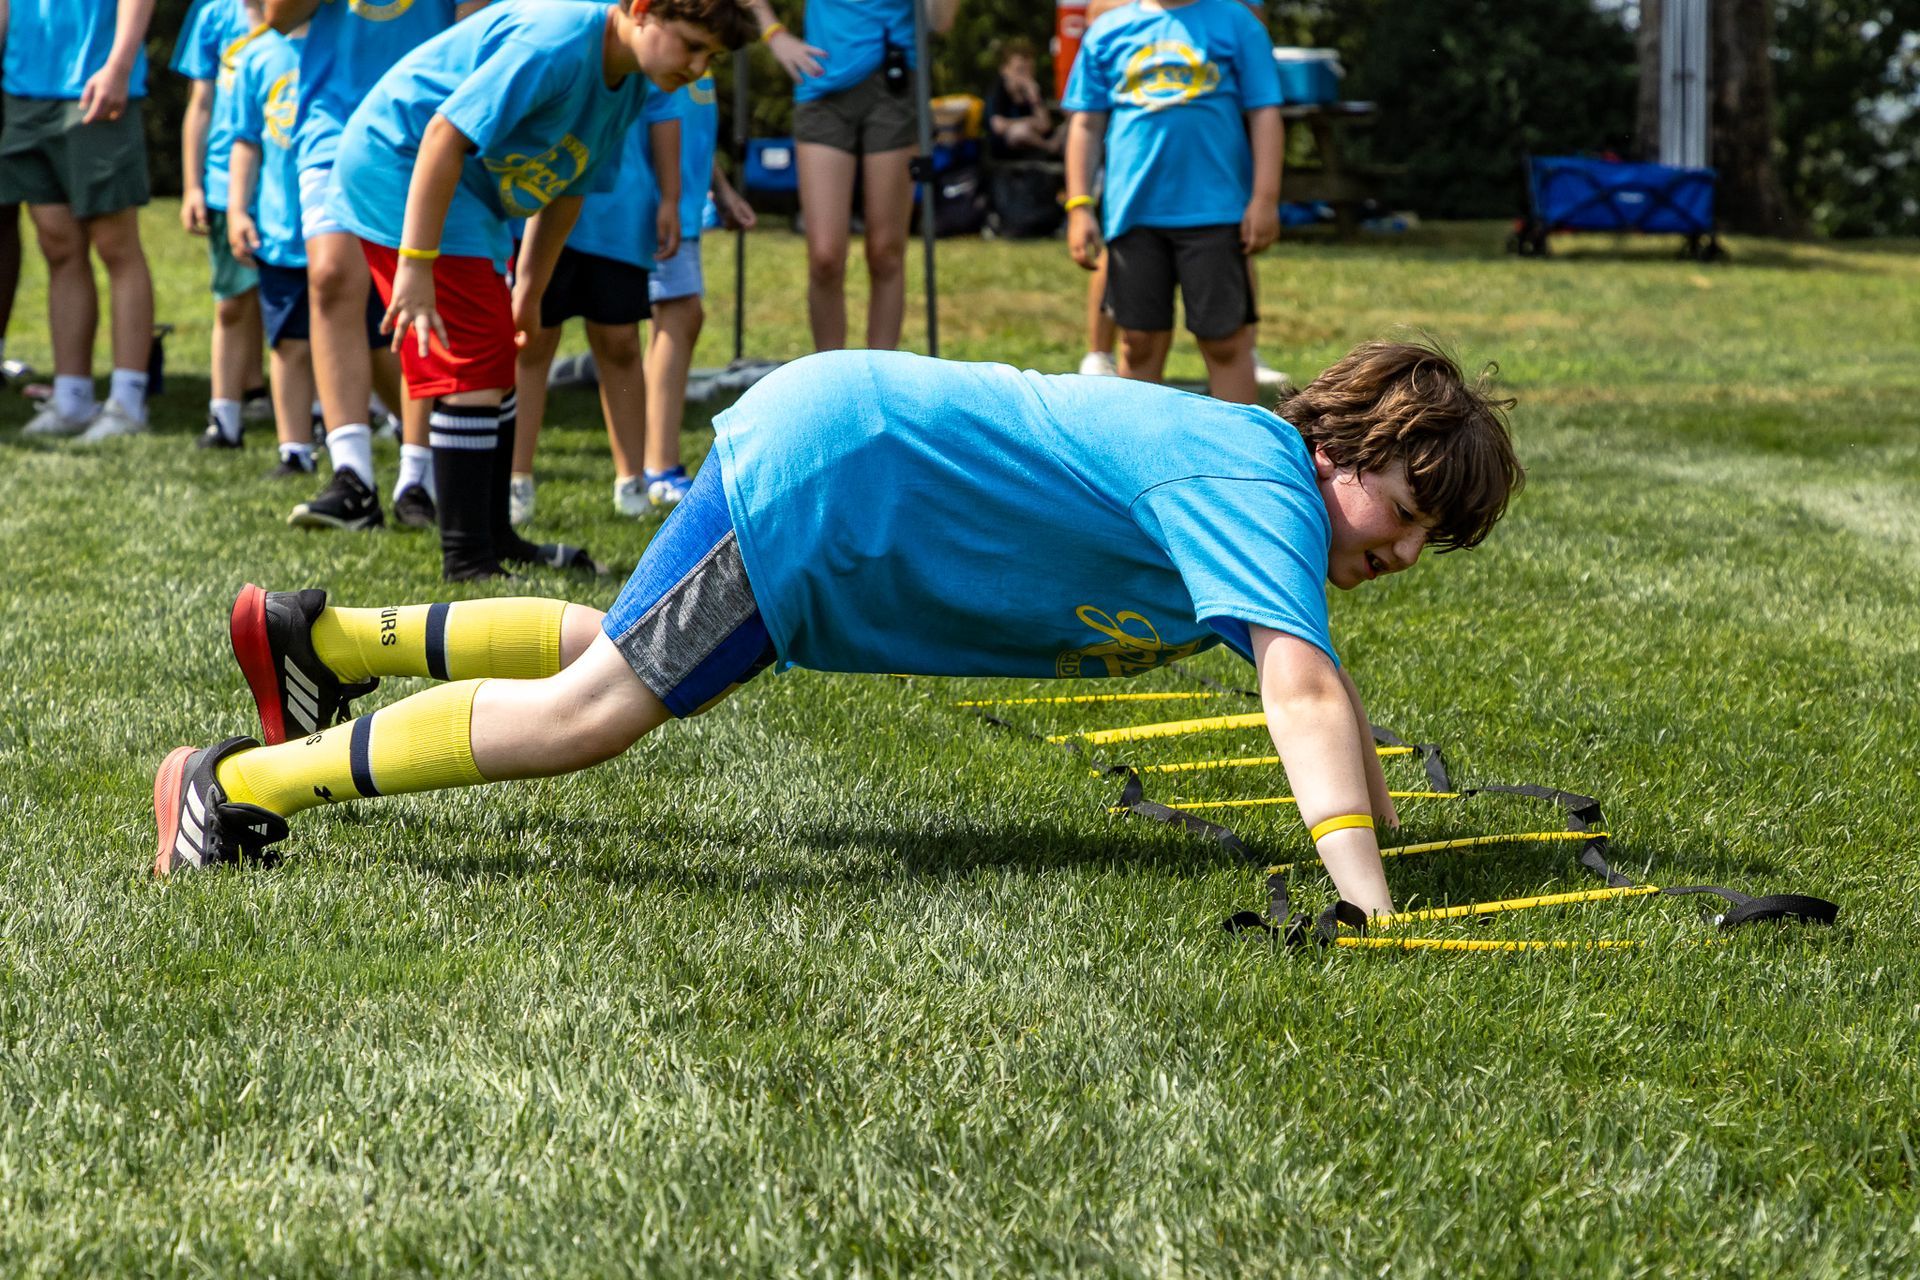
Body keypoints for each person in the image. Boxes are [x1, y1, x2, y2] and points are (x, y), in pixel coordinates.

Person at [152, 339, 1524, 928]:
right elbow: (1300, 685)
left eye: (1422, 546)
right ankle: (233, 784)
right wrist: (1363, 895)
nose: (1396, 555)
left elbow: (1313, 685)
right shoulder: (1261, 486)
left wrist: (1370, 821)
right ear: (1335, 442)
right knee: (593, 717)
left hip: (835, 462)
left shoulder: (1252, 483)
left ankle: (327, 645)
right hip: (836, 485)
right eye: (1398, 515)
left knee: (612, 645)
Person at [324, 0, 754, 580]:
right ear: (643, 11)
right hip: (401, 166)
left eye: (713, 57)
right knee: (473, 359)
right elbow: (443, 134)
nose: (699, 67)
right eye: (691, 45)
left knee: (498, 353)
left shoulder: (627, 83)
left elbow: (568, 184)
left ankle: (494, 536)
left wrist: (529, 288)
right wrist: (417, 262)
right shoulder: (557, 42)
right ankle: (467, 557)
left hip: (465, 192)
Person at [265, 0, 465, 531]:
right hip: (332, 123)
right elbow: (276, 17)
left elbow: (476, 26)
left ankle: (418, 473)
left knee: (425, 293)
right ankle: (351, 476)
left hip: (430, 129)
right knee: (329, 276)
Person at [1065, 0, 1282, 404]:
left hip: (1216, 214)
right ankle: (1141, 461)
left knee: (1225, 343)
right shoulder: (1107, 30)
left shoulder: (1237, 22)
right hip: (1134, 215)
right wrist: (1079, 206)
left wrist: (1265, 198)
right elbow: (1086, 123)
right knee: (1138, 341)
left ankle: (1236, 458)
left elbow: (1265, 113)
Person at [508, 81, 690, 527]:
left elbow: (663, 109)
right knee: (532, 337)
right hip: (541, 199)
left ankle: (631, 479)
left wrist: (669, 197)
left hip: (621, 212)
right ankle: (515, 479)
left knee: (620, 340)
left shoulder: (648, 28)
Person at [738, 0, 960, 353]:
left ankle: (878, 387)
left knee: (886, 252)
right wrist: (774, 33)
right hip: (821, 87)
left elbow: (940, 22)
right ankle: (833, 386)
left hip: (894, 85)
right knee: (825, 257)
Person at [228, 18, 379, 477]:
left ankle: (399, 431)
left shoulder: (355, 51)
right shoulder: (257, 56)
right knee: (289, 345)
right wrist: (237, 209)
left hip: (349, 229)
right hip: (280, 233)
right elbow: (245, 140)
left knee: (379, 344)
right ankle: (293, 449)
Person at [2, 0, 158, 441]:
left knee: (115, 245)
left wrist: (120, 64)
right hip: (26, 90)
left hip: (96, 83)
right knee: (57, 245)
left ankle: (128, 403)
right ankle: (72, 398)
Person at [637, 69, 754, 509]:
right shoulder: (667, 41)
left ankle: (653, 460)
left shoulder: (697, 52)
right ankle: (658, 465)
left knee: (678, 316)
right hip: (656, 203)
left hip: (682, 203)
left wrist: (719, 189)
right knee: (680, 314)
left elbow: (696, 134)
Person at [173, 0, 269, 450]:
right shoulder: (214, 14)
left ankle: (320, 418)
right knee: (231, 303)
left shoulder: (309, 12)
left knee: (306, 310)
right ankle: (224, 419)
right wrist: (193, 185)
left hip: (288, 179)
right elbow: (201, 102)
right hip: (224, 182)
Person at [984, 37, 1061, 162]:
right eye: (1020, 70)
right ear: (1005, 70)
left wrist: (1035, 98)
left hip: (1035, 141)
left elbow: (1045, 125)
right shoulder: (998, 90)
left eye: (1029, 70)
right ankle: (1048, 148)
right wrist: (1029, 121)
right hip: (1006, 147)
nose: (1025, 75)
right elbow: (998, 126)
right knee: (1021, 131)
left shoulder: (1033, 89)